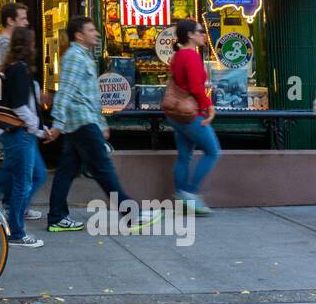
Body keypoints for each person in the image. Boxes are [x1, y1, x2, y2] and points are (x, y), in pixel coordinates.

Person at [46, 16, 160, 232]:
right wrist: (58, 123)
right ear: (79, 35)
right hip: (81, 123)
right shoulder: (74, 58)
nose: (96, 33)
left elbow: (89, 95)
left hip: (84, 121)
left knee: (67, 170)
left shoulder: (82, 56)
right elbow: (66, 92)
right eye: (91, 30)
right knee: (103, 169)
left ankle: (57, 217)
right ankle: (132, 214)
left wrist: (101, 122)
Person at [0, 2, 42, 220]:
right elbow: (3, 81)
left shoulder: (10, 46)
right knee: (24, 170)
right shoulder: (4, 44)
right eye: (23, 18)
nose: (27, 22)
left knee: (29, 170)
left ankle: (13, 204)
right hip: (15, 122)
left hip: (20, 120)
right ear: (10, 20)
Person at [0, 26, 56, 247]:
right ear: (28, 46)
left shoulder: (15, 68)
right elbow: (21, 107)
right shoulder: (19, 70)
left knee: (36, 175)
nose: (35, 46)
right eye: (33, 42)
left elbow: (26, 105)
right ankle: (16, 232)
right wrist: (37, 128)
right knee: (22, 183)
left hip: (23, 133)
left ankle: (14, 214)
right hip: (21, 134)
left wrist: (39, 129)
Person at [167, 17, 219, 215]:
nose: (204, 34)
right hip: (191, 114)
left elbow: (186, 83)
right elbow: (196, 87)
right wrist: (209, 107)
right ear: (189, 35)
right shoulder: (191, 56)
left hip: (176, 112)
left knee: (184, 156)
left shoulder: (178, 56)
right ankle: (191, 193)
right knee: (213, 151)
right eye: (200, 31)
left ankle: (182, 196)